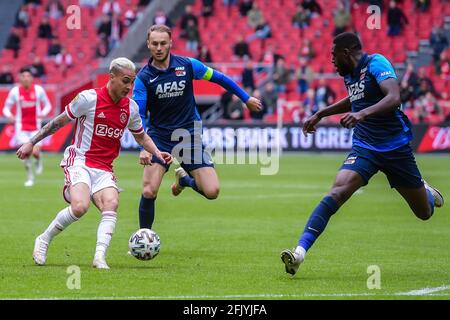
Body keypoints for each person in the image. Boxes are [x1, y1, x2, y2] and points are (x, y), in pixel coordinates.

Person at [280, 32, 444, 276]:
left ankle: (425, 191)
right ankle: (299, 253)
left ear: (346, 53)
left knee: (424, 213)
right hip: (365, 147)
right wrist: (321, 113)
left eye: (334, 56)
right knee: (337, 191)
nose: (332, 62)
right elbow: (355, 99)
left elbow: (393, 97)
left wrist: (362, 114)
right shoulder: (350, 74)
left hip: (395, 148)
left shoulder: (376, 64)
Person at [16, 57, 172, 269]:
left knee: (112, 203)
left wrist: (157, 153)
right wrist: (31, 142)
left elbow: (141, 136)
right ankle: (43, 239)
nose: (129, 86)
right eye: (125, 80)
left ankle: (99, 257)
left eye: (132, 81)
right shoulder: (88, 98)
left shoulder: (131, 108)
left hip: (104, 168)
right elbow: (58, 122)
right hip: (79, 160)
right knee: (80, 207)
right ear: (112, 77)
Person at [132, 24, 261, 231]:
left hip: (188, 137)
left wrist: (246, 98)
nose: (158, 47)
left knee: (212, 191)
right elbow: (139, 115)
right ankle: (143, 237)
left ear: (170, 43)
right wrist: (144, 148)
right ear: (148, 44)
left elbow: (219, 78)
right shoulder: (143, 78)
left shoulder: (188, 65)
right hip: (159, 138)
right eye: (154, 43)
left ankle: (185, 180)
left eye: (163, 43)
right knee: (149, 191)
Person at [3, 67, 52, 187]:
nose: (26, 78)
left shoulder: (38, 90)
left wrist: (43, 114)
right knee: (25, 154)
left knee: (35, 152)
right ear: (20, 78)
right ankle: (30, 177)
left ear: (32, 78)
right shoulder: (15, 91)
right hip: (21, 128)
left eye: (28, 76)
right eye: (23, 76)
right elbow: (6, 108)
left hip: (35, 127)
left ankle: (39, 160)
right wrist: (10, 116)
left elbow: (48, 105)